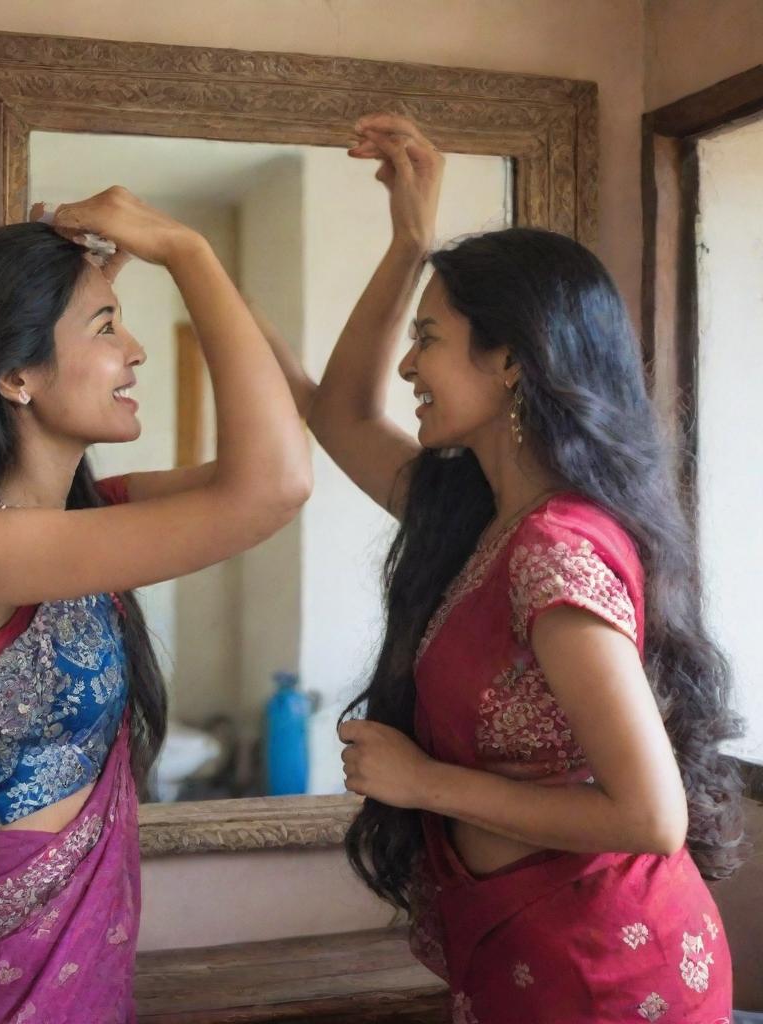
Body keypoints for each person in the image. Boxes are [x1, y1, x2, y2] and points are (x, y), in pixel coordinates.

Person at [0, 188, 312, 1023]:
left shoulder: (83, 522)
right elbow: (274, 487)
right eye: (108, 329)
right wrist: (186, 250)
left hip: (65, 961)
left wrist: (117, 282)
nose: (135, 351)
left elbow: (275, 460)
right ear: (14, 375)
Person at [275, 113, 745, 1022]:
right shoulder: (481, 521)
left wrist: (422, 784)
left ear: (511, 366)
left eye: (430, 340)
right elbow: (339, 417)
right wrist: (409, 243)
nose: (409, 363)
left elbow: (652, 819)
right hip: (530, 954)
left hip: (605, 970)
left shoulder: (553, 552)